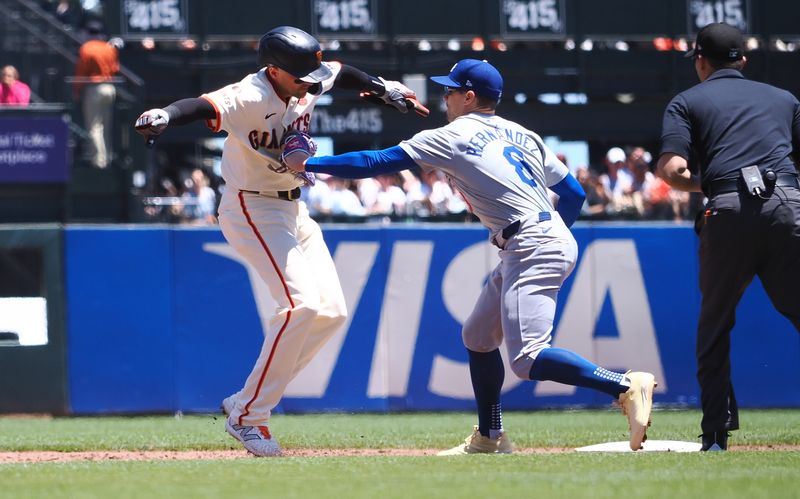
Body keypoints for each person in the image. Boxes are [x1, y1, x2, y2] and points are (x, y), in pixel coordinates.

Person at [286, 58, 657, 453]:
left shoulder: (454, 135)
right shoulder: (523, 134)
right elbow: (574, 195)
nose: (444, 96)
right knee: (478, 336)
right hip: (540, 236)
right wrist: (552, 234)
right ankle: (490, 436)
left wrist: (308, 162)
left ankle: (622, 384)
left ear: (468, 96)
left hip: (530, 240)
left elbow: (377, 162)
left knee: (528, 359)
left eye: (450, 90)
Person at [133, 26, 425, 457]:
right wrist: (164, 115)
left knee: (330, 313)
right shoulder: (249, 95)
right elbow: (200, 106)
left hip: (294, 207)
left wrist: (382, 88)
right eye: (301, 75)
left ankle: (244, 400)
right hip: (251, 206)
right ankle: (250, 416)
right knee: (300, 305)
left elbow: (340, 73)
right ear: (273, 69)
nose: (311, 81)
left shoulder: (307, 75)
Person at [657, 22, 800, 451]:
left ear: (700, 60)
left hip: (728, 209)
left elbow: (671, 171)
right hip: (788, 207)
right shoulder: (785, 99)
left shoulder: (686, 101)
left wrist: (717, 184)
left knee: (715, 325)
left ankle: (717, 434)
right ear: (743, 59)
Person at [74, 21, 119, 168]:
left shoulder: (86, 48)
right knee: (107, 125)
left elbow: (81, 72)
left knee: (94, 127)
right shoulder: (109, 48)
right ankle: (109, 156)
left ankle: (100, 161)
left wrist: (76, 90)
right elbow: (115, 68)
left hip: (94, 87)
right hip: (110, 87)